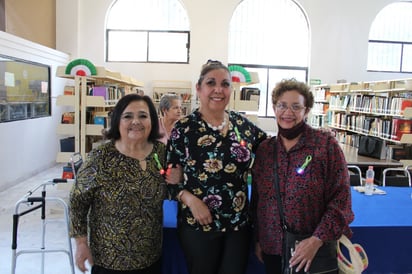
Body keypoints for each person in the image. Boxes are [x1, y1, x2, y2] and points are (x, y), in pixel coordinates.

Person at [166, 59, 268, 274]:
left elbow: (274, 150)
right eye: (211, 83)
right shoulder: (183, 129)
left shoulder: (244, 127)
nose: (218, 90)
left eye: (225, 84)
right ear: (199, 88)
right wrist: (191, 201)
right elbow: (169, 179)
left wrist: (312, 135)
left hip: (238, 225)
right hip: (198, 224)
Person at [251, 78, 354, 274]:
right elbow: (258, 199)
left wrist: (316, 240)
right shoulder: (266, 150)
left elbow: (341, 199)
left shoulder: (325, 146)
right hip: (272, 247)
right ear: (274, 108)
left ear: (306, 111)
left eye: (296, 107)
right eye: (282, 105)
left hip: (312, 249)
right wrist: (258, 238)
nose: (288, 113)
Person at [69, 94, 168, 274]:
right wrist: (81, 243)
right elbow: (77, 202)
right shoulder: (101, 157)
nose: (136, 121)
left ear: (152, 121)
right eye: (128, 116)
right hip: (110, 260)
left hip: (151, 257)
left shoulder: (161, 153)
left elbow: (173, 189)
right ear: (117, 121)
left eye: (143, 116)